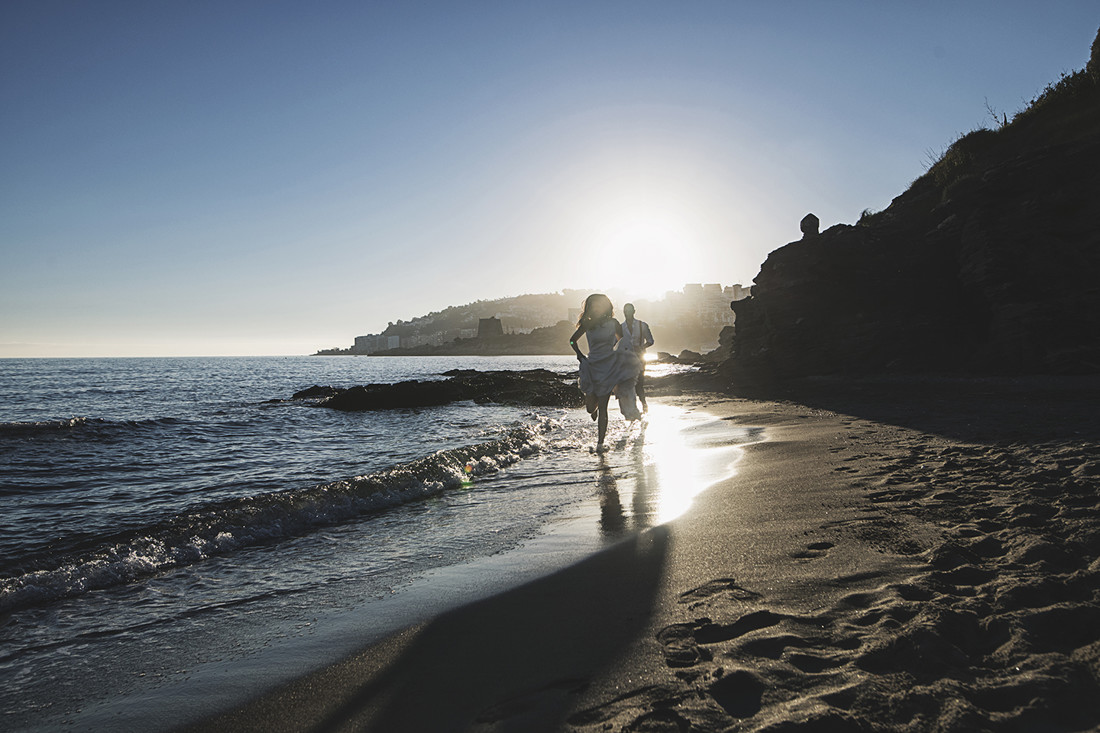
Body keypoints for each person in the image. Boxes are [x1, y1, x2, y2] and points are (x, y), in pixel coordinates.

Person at [569, 294, 643, 451]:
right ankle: (592, 409)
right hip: (592, 366)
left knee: (604, 407)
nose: (597, 307)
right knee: (591, 407)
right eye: (594, 305)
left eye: (600, 304)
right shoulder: (588, 324)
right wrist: (579, 355)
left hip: (609, 367)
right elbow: (571, 340)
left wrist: (616, 353)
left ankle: (600, 444)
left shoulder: (614, 323)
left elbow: (622, 339)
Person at [619, 303, 655, 412]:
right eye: (625, 311)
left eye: (629, 311)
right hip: (625, 359)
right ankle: (632, 408)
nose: (627, 313)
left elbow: (651, 341)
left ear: (634, 311)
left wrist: (641, 347)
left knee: (639, 382)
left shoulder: (642, 325)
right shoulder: (621, 327)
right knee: (628, 384)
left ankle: (643, 404)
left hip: (640, 358)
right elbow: (615, 343)